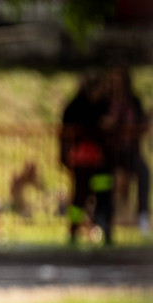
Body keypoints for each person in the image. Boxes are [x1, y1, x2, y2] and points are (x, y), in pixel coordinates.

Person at [60, 71, 114, 245]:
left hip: (100, 162)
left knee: (103, 194)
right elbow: (66, 131)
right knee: (79, 196)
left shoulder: (104, 105)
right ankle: (74, 229)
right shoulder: (76, 106)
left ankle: (104, 227)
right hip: (82, 161)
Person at [105, 64, 150, 238]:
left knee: (144, 173)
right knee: (104, 180)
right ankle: (104, 218)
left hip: (130, 151)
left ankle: (143, 215)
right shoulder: (106, 101)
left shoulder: (134, 101)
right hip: (109, 152)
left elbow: (141, 125)